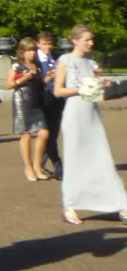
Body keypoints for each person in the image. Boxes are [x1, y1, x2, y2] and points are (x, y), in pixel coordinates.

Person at [53, 24, 127, 225]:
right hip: (75, 114)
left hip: (91, 114)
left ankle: (120, 202)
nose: (91, 43)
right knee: (76, 159)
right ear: (75, 40)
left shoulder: (89, 62)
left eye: (91, 39)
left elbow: (93, 86)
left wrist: (101, 83)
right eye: (87, 39)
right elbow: (58, 91)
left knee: (101, 157)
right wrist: (82, 88)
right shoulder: (65, 61)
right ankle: (70, 206)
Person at [7, 37, 49, 182]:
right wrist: (23, 78)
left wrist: (48, 77)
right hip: (22, 100)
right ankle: (28, 166)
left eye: (33, 50)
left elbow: (40, 83)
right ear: (22, 52)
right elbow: (9, 84)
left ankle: (37, 166)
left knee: (43, 132)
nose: (32, 54)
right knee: (25, 134)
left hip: (36, 101)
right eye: (29, 51)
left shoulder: (36, 65)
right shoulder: (17, 65)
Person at [35, 30, 63, 179]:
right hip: (42, 101)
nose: (48, 47)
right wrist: (45, 78)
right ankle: (58, 165)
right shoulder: (34, 59)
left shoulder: (57, 56)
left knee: (54, 133)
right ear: (38, 44)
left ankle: (39, 164)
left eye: (50, 44)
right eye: (45, 44)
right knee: (47, 134)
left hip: (57, 99)